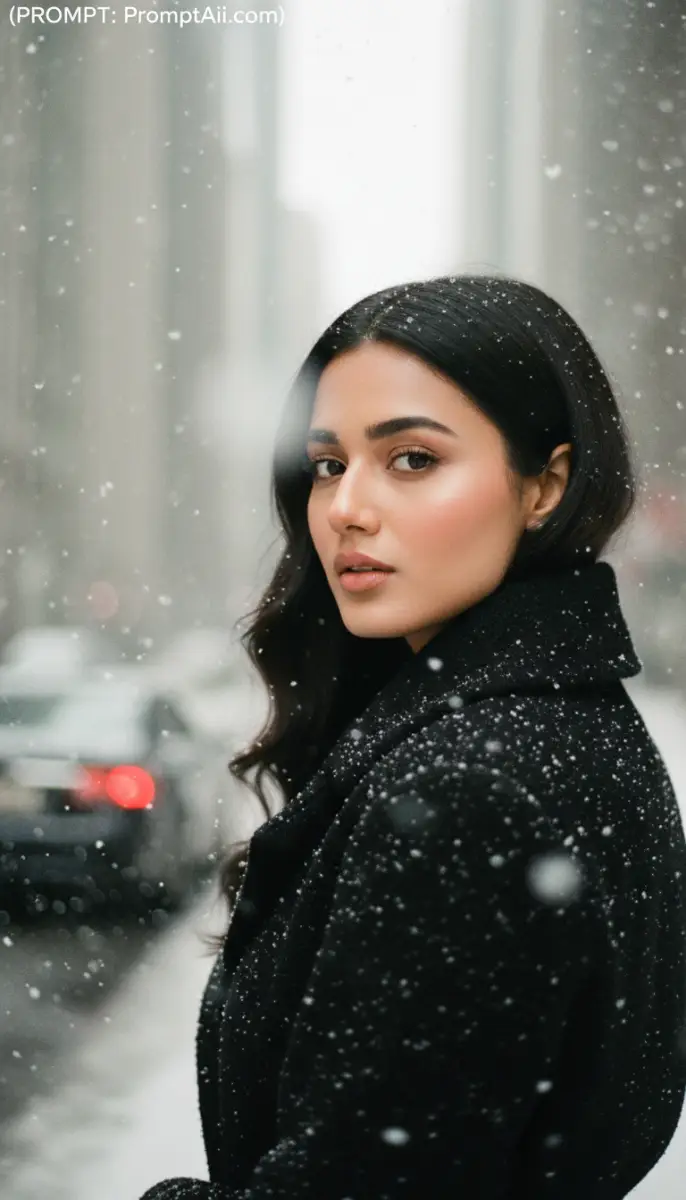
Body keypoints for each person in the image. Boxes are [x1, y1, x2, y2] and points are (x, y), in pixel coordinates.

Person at [140, 274, 686, 1199]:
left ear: (545, 484)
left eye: (413, 460)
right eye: (327, 464)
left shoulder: (473, 790)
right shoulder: (570, 724)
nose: (346, 506)